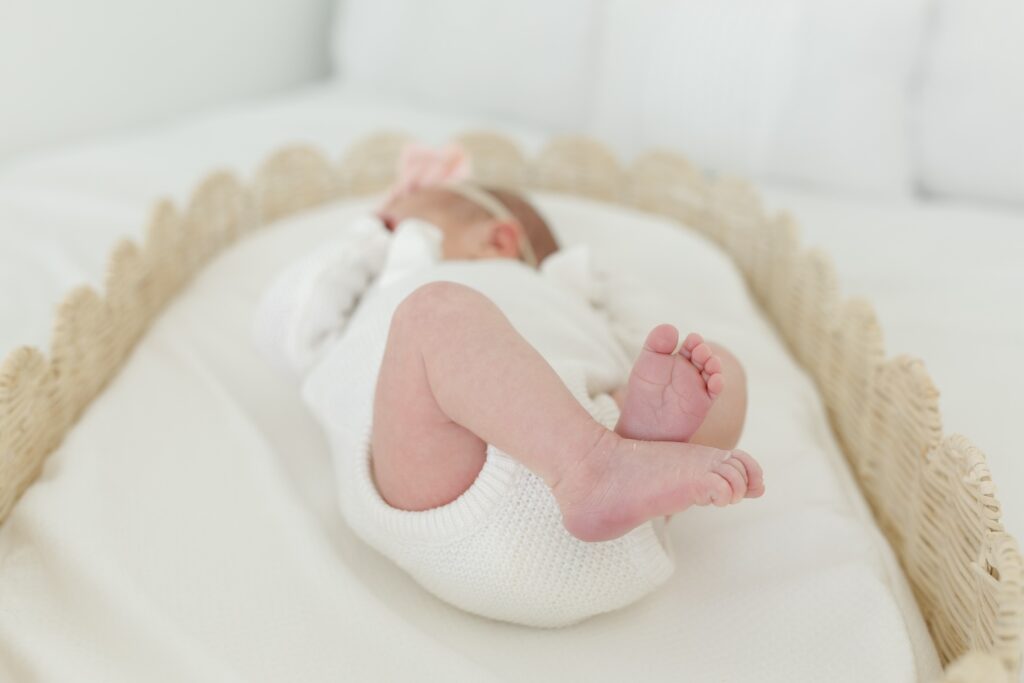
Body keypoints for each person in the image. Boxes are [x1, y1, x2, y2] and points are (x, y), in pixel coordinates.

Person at [255, 144, 764, 627]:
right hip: (442, 481)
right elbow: (283, 327)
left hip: (609, 465)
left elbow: (652, 340)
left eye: (393, 225)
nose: (380, 233)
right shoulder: (383, 288)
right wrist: (371, 235)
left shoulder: (570, 290)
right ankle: (592, 466)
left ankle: (629, 449)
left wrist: (640, 350)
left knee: (714, 368)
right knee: (434, 313)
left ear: (499, 239)